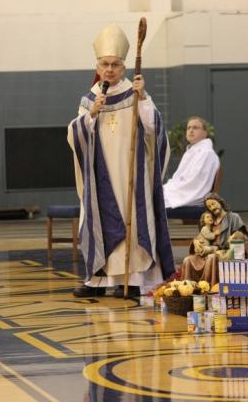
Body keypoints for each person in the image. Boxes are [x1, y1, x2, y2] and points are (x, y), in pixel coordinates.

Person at [67, 23, 175, 298]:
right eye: (105, 64)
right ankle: (99, 281)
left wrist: (143, 98)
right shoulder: (91, 98)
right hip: (100, 175)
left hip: (131, 174)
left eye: (115, 64)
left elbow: (153, 129)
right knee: (101, 220)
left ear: (124, 67)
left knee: (134, 221)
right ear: (98, 65)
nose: (110, 69)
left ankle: (135, 280)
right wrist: (90, 114)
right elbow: (74, 136)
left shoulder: (135, 93)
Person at [182, 193, 248, 287]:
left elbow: (243, 236)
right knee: (188, 260)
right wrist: (196, 241)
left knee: (212, 258)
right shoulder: (210, 219)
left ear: (219, 202)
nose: (212, 207)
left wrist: (234, 237)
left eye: (213, 203)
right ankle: (188, 289)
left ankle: (209, 289)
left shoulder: (233, 217)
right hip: (208, 251)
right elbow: (202, 235)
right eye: (209, 206)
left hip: (225, 252)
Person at [163, 116, 220, 209]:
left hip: (190, 197)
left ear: (205, 133)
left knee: (148, 200)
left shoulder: (206, 153)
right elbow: (178, 178)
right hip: (180, 192)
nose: (191, 130)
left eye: (195, 128)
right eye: (189, 128)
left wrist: (167, 191)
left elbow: (193, 183)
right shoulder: (192, 151)